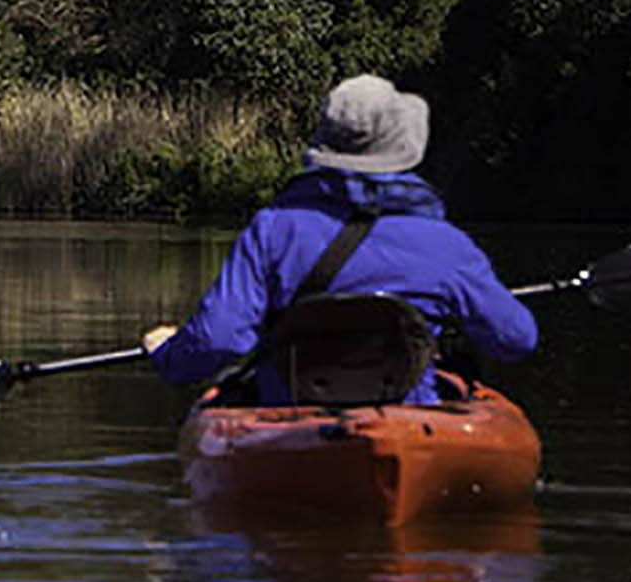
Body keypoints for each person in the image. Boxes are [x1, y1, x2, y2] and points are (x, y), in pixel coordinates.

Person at [142, 74, 537, 405]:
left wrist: (167, 353)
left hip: (291, 418)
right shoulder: (447, 245)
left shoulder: (274, 229)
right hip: (407, 417)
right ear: (402, 146)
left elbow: (219, 338)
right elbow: (515, 339)